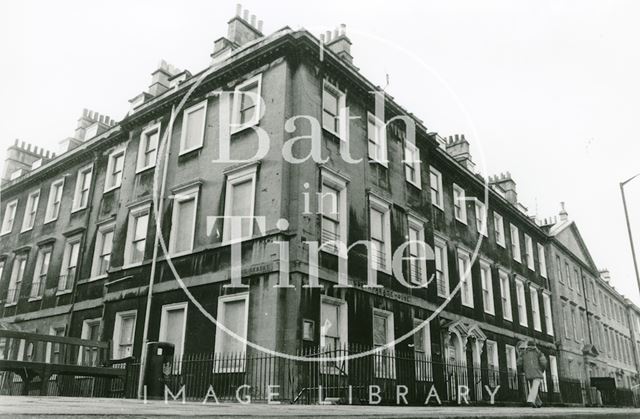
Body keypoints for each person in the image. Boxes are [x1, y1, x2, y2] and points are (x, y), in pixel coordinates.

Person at [516, 339, 548, 408]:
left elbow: (519, 363)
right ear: (535, 346)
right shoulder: (538, 352)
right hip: (537, 372)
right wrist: (542, 369)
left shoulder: (524, 353)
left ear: (528, 346)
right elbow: (543, 362)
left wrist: (523, 369)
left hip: (528, 373)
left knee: (533, 387)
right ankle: (532, 401)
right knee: (535, 387)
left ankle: (538, 403)